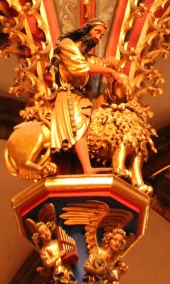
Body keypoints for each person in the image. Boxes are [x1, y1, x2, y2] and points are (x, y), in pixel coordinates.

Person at [49, 20, 126, 174]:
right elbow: (79, 67)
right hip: (68, 95)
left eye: (102, 35)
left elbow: (95, 64)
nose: (98, 37)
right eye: (97, 31)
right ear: (86, 30)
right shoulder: (66, 44)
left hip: (79, 97)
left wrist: (112, 64)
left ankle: (87, 168)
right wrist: (110, 71)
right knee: (78, 128)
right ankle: (87, 168)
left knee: (82, 130)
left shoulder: (87, 57)